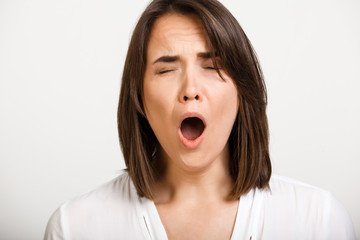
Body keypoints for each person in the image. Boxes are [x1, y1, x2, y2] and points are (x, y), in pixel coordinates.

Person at [44, 0, 356, 239]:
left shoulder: (319, 220)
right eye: (166, 69)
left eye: (211, 66)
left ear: (241, 90)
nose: (190, 90)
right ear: (138, 97)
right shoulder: (74, 227)